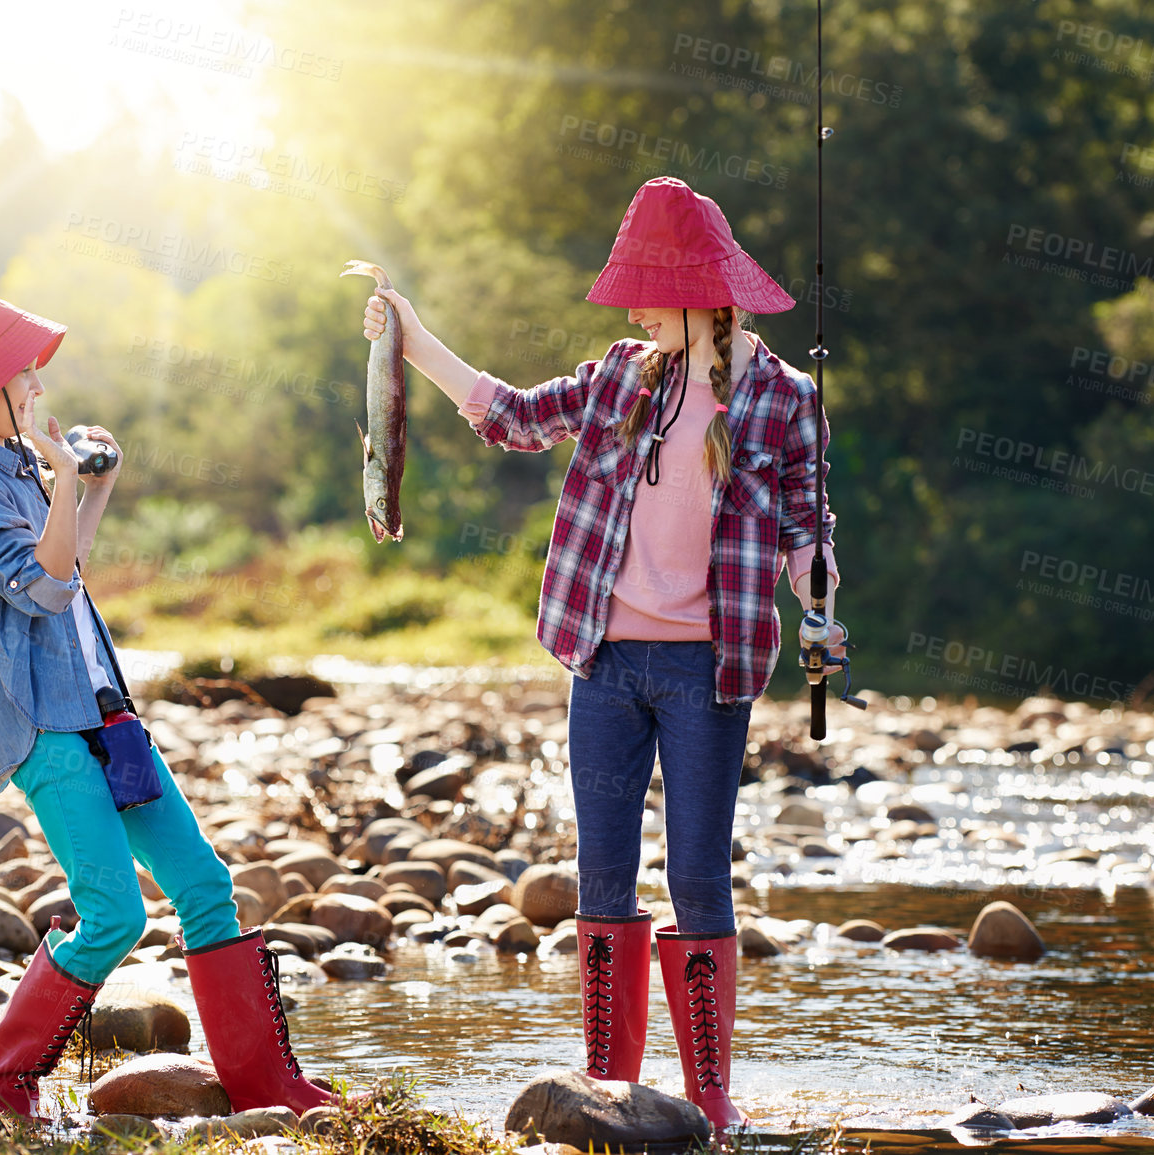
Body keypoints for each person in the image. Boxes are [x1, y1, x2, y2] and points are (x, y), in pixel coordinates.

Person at [360, 177, 846, 1134]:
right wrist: (410, 341)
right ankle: (606, 1089)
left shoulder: (785, 399)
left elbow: (806, 527)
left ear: (703, 291)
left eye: (645, 288)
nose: (628, 307)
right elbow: (509, 413)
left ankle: (707, 1096)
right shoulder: (622, 375)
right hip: (604, 660)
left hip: (711, 671)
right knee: (602, 876)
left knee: (699, 878)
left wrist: (822, 602)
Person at [0, 283, 341, 1120]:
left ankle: (263, 1082)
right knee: (113, 912)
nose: (39, 392)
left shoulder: (17, 466)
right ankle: (0, 1086)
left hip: (103, 710)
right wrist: (66, 471)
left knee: (206, 887)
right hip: (43, 724)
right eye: (25, 376)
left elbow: (70, 575)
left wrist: (89, 487)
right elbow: (36, 587)